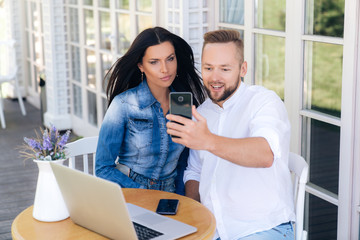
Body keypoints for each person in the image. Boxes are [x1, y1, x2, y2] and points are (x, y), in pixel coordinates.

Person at [166, 29, 295, 239]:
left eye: (225, 69)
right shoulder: (203, 112)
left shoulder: (264, 102)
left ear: (242, 69)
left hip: (262, 228)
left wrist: (208, 141)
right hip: (212, 229)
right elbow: (194, 172)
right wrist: (194, 217)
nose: (214, 78)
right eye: (208, 68)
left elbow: (265, 154)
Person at [95, 27, 206, 194]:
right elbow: (103, 168)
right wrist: (143, 193)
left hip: (170, 195)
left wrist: (184, 201)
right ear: (141, 65)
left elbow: (184, 162)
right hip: (130, 193)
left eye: (170, 59)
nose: (165, 69)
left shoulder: (183, 104)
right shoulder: (123, 105)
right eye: (154, 62)